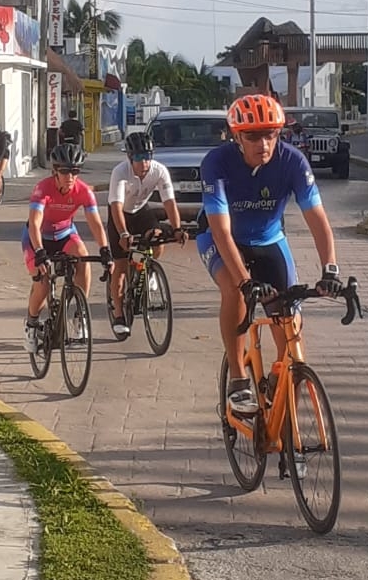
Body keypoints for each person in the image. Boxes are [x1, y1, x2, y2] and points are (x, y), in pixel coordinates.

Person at [196, 93, 343, 415]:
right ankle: (238, 378)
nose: (263, 143)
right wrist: (246, 281)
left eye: (271, 134)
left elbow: (318, 220)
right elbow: (220, 232)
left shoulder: (292, 161)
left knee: (289, 315)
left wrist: (330, 269)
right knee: (235, 291)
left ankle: (282, 380)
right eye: (253, 136)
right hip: (223, 241)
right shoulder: (217, 163)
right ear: (236, 136)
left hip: (269, 240)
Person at [22, 143, 112, 353]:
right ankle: (31, 325)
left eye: (75, 171)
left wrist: (105, 250)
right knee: (42, 284)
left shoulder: (83, 191)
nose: (70, 176)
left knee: (83, 258)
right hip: (38, 238)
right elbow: (34, 223)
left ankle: (80, 314)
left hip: (64, 234)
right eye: (64, 171)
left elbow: (96, 223)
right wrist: (40, 253)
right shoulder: (42, 189)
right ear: (55, 171)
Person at [107, 131, 186, 336]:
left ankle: (147, 269)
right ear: (130, 158)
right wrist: (123, 233)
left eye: (148, 157)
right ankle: (118, 314)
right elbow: (116, 206)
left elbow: (169, 201)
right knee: (121, 267)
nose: (144, 163)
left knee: (158, 238)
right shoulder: (120, 172)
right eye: (139, 158)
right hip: (120, 215)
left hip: (141, 211)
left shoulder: (159, 171)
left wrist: (177, 228)